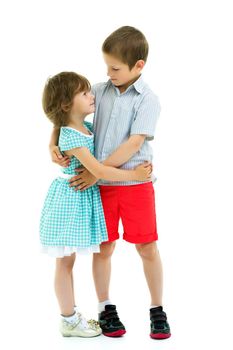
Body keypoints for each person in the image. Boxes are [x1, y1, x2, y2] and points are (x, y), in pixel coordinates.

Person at [50, 26, 171, 339]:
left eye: (115, 68)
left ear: (138, 66)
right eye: (107, 66)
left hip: (135, 185)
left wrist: (96, 169)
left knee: (147, 246)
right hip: (101, 187)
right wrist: (53, 142)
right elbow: (68, 119)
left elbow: (133, 144)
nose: (109, 73)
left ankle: (157, 309)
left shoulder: (148, 100)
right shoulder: (100, 92)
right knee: (104, 248)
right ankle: (106, 306)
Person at [40, 71, 152, 338]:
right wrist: (133, 176)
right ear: (67, 105)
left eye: (90, 91)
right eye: (85, 93)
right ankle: (68, 318)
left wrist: (52, 136)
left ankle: (71, 317)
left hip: (80, 199)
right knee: (65, 262)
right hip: (69, 201)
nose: (93, 96)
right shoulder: (73, 136)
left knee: (68, 261)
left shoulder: (82, 128)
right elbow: (99, 171)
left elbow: (60, 123)